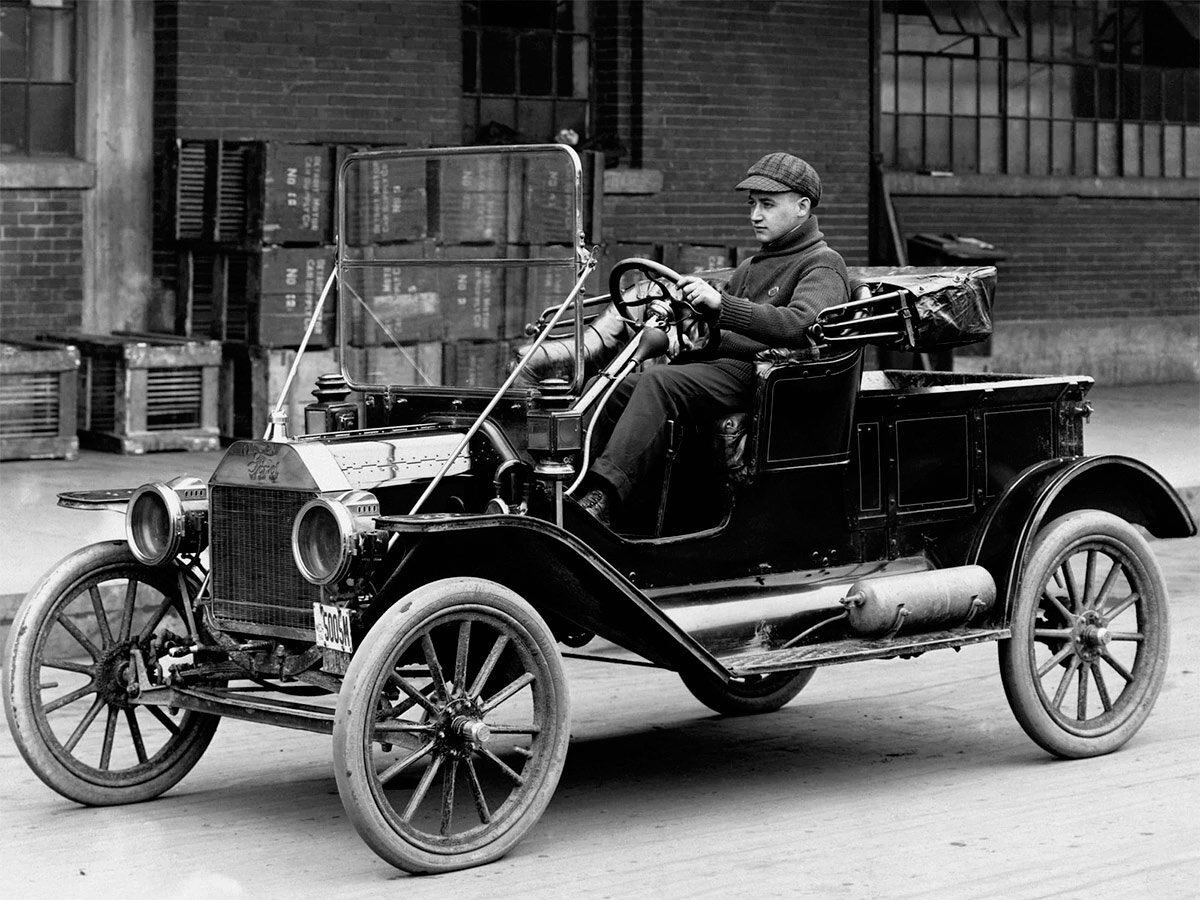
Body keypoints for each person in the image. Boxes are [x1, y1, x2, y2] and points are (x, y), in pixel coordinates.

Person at [577, 151, 850, 527]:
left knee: (659, 383)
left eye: (767, 204)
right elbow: (721, 331)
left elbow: (800, 325)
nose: (755, 215)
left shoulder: (822, 264)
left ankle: (604, 498)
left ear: (802, 207)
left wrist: (722, 305)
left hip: (769, 380)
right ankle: (572, 485)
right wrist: (692, 323)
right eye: (752, 204)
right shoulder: (752, 266)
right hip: (727, 370)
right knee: (608, 386)